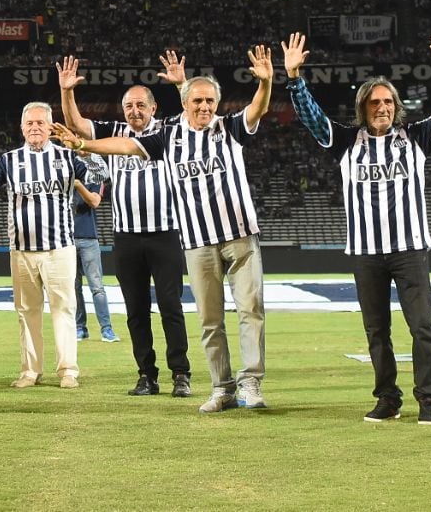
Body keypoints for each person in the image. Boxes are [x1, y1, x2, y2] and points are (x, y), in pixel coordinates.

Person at [51, 46, 274, 413]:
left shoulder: (230, 128)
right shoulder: (169, 138)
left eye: (210, 101)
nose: (204, 107)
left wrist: (265, 83)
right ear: (185, 104)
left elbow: (257, 109)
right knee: (209, 320)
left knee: (248, 310)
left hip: (234, 235)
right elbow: (123, 145)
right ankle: (222, 387)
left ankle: (249, 383)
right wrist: (82, 144)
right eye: (197, 101)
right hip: (196, 240)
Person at [285, 31, 431, 425]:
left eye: (388, 101)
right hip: (365, 252)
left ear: (396, 106)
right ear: (362, 107)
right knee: (377, 333)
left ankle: (429, 399)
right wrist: (295, 80)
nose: (383, 107)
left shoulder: (416, 137)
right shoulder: (345, 141)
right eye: (375, 102)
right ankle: (387, 398)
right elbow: (311, 116)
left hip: (410, 250)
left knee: (423, 328)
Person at [0, 102, 107, 390]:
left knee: (64, 310)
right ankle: (30, 371)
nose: (35, 128)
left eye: (41, 123)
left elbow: (100, 176)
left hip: (60, 248)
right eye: (30, 124)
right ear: (22, 128)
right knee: (27, 313)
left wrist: (84, 149)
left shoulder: (67, 156)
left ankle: (67, 370)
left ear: (50, 127)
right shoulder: (9, 160)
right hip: (22, 250)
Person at [58, 52, 192, 397]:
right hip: (127, 237)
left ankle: (181, 373)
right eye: (129, 106)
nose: (134, 111)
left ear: (152, 109)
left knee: (171, 307)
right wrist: (67, 91)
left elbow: (192, 112)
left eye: (140, 105)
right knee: (135, 311)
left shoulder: (168, 131)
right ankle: (146, 374)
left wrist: (181, 84)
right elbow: (76, 125)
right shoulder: (113, 130)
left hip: (165, 234)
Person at [70, 168, 120, 344]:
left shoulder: (93, 176)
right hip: (66, 240)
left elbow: (94, 202)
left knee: (97, 287)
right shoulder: (60, 176)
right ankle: (80, 328)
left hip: (88, 238)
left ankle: (106, 329)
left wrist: (77, 185)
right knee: (73, 288)